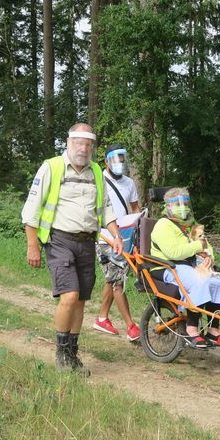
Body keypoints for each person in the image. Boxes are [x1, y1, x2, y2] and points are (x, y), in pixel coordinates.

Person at [22, 123, 124, 375]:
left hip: (87, 242)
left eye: (89, 144)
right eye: (79, 143)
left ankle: (72, 355)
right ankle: (61, 353)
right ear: (68, 143)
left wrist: (117, 235)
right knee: (68, 296)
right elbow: (31, 209)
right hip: (60, 240)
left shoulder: (97, 172)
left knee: (80, 300)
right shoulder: (52, 167)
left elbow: (106, 208)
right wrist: (32, 245)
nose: (84, 148)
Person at [149, 187, 220, 349]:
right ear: (169, 206)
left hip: (189, 264)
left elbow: (206, 245)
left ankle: (213, 331)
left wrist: (208, 257)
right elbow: (174, 252)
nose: (184, 207)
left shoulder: (192, 224)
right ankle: (191, 329)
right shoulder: (163, 225)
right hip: (166, 266)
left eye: (186, 203)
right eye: (179, 203)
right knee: (198, 280)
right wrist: (197, 246)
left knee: (217, 282)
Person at [93, 144, 141, 341]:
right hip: (105, 237)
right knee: (117, 280)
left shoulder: (130, 183)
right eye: (115, 160)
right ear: (106, 161)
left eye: (122, 160)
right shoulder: (99, 180)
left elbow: (135, 209)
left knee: (112, 277)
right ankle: (131, 326)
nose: (119, 164)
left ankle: (102, 318)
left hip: (125, 237)